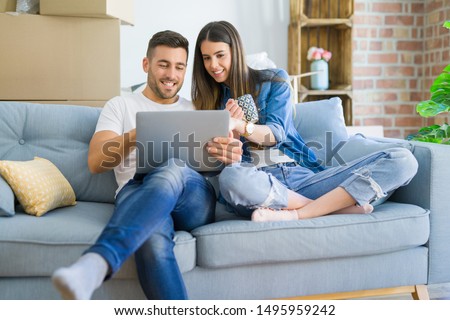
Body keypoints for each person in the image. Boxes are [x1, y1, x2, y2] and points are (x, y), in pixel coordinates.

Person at [51, 30, 242, 300]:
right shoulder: (120, 105)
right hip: (137, 191)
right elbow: (96, 162)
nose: (171, 75)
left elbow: (214, 168)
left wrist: (228, 156)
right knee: (151, 241)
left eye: (179, 67)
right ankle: (92, 269)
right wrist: (138, 134)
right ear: (146, 65)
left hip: (193, 199)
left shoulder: (197, 109)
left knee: (173, 167)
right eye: (163, 64)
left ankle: (98, 260)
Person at [191, 21, 418, 222]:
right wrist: (234, 138)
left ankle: (296, 213)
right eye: (206, 58)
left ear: (235, 52)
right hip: (254, 184)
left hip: (299, 176)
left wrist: (240, 124)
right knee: (232, 178)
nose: (213, 65)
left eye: (220, 55)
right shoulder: (207, 102)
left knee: (403, 159)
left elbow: (276, 134)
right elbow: (226, 167)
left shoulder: (274, 81)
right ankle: (332, 208)